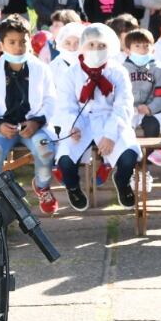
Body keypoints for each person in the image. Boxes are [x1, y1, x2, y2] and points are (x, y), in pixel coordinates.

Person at [0, 14, 60, 225]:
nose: (18, 47)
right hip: (3, 127)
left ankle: (42, 186)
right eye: (12, 42)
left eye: (23, 42)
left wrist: (37, 122)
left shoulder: (41, 69)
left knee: (45, 148)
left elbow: (51, 100)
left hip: (33, 126)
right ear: (1, 44)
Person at [52, 23, 142, 209]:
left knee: (129, 156)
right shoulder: (71, 72)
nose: (96, 50)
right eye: (91, 45)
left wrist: (110, 134)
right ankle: (73, 187)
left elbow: (123, 104)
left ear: (110, 47)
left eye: (101, 45)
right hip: (81, 121)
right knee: (65, 160)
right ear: (82, 47)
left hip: (110, 120)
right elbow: (65, 104)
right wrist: (71, 126)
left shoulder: (118, 71)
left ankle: (122, 181)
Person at [122, 28, 161, 137]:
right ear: (128, 51)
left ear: (152, 49)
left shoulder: (157, 68)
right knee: (123, 128)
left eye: (146, 46)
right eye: (137, 46)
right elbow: (118, 94)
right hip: (128, 110)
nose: (142, 50)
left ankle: (151, 154)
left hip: (150, 111)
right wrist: (128, 107)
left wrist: (150, 108)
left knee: (153, 126)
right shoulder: (122, 69)